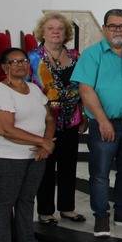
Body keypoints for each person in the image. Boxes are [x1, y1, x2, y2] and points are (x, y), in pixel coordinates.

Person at [72, 9, 122, 237]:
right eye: (113, 26)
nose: (118, 30)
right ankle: (101, 217)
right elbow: (85, 89)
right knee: (100, 174)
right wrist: (103, 121)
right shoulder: (92, 54)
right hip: (104, 123)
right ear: (104, 28)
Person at [0, 47, 55, 242]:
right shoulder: (1, 91)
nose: (20, 65)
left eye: (23, 61)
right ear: (4, 67)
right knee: (5, 203)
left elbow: (49, 118)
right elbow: (5, 129)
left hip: (36, 156)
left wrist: (46, 143)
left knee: (27, 200)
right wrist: (42, 142)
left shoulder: (34, 89)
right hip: (9, 157)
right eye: (14, 62)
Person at [28, 12, 86, 225]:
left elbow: (83, 86)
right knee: (45, 167)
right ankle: (45, 212)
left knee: (69, 166)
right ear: (43, 32)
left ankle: (67, 208)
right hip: (43, 122)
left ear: (66, 33)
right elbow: (26, 88)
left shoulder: (76, 56)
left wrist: (84, 116)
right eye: (50, 28)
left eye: (60, 29)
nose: (55, 32)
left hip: (71, 119)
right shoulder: (33, 57)